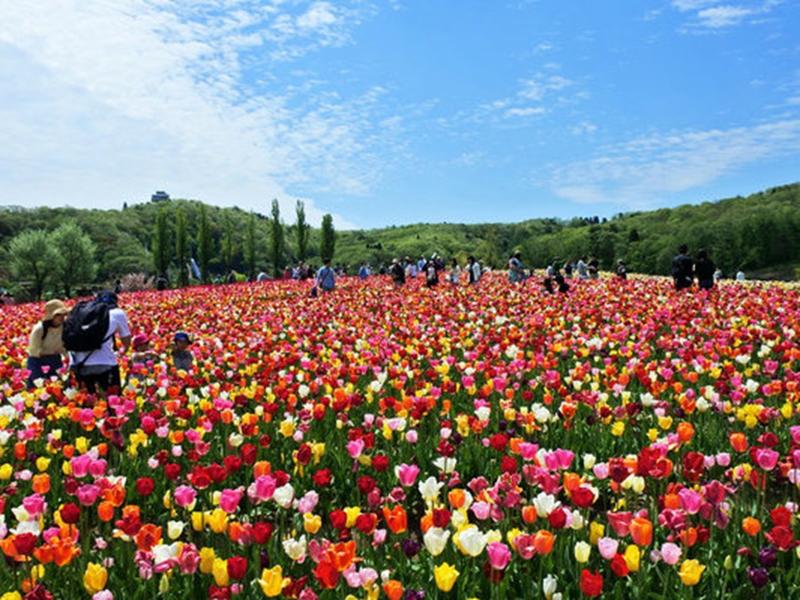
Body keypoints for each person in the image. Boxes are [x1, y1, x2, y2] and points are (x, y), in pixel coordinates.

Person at [70, 291, 131, 393]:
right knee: (112, 401)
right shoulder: (117, 313)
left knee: (88, 403)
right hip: (106, 364)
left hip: (80, 364)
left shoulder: (83, 313)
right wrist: (121, 352)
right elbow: (126, 340)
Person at [26, 299, 69, 388]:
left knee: (57, 387)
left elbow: (64, 346)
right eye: (58, 315)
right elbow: (33, 350)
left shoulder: (64, 327)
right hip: (38, 361)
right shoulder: (39, 329)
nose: (62, 317)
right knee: (38, 388)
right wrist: (50, 353)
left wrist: (69, 358)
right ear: (51, 316)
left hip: (55, 360)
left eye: (63, 314)